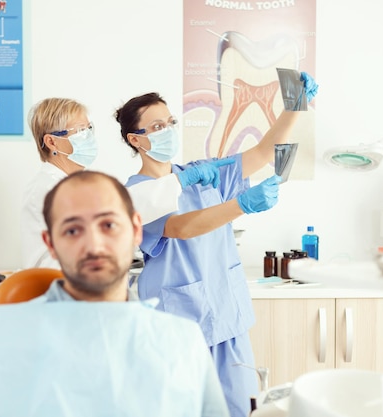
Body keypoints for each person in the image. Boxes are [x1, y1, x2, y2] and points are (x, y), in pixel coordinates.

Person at [115, 74, 317, 417]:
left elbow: (264, 151)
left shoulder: (202, 172)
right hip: (179, 324)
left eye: (171, 122)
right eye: (157, 125)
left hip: (226, 315)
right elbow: (180, 228)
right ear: (136, 139)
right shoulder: (136, 193)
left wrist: (294, 106)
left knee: (240, 409)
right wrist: (242, 205)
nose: (169, 129)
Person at [0, 171, 230, 417]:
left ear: (135, 231)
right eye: (73, 230)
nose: (94, 245)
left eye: (108, 225)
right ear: (50, 243)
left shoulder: (181, 343)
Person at [22, 97, 233, 269]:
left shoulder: (77, 184)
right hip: (61, 292)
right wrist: (180, 180)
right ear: (51, 142)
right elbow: (114, 209)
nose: (88, 137)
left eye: (89, 128)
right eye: (79, 131)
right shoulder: (47, 189)